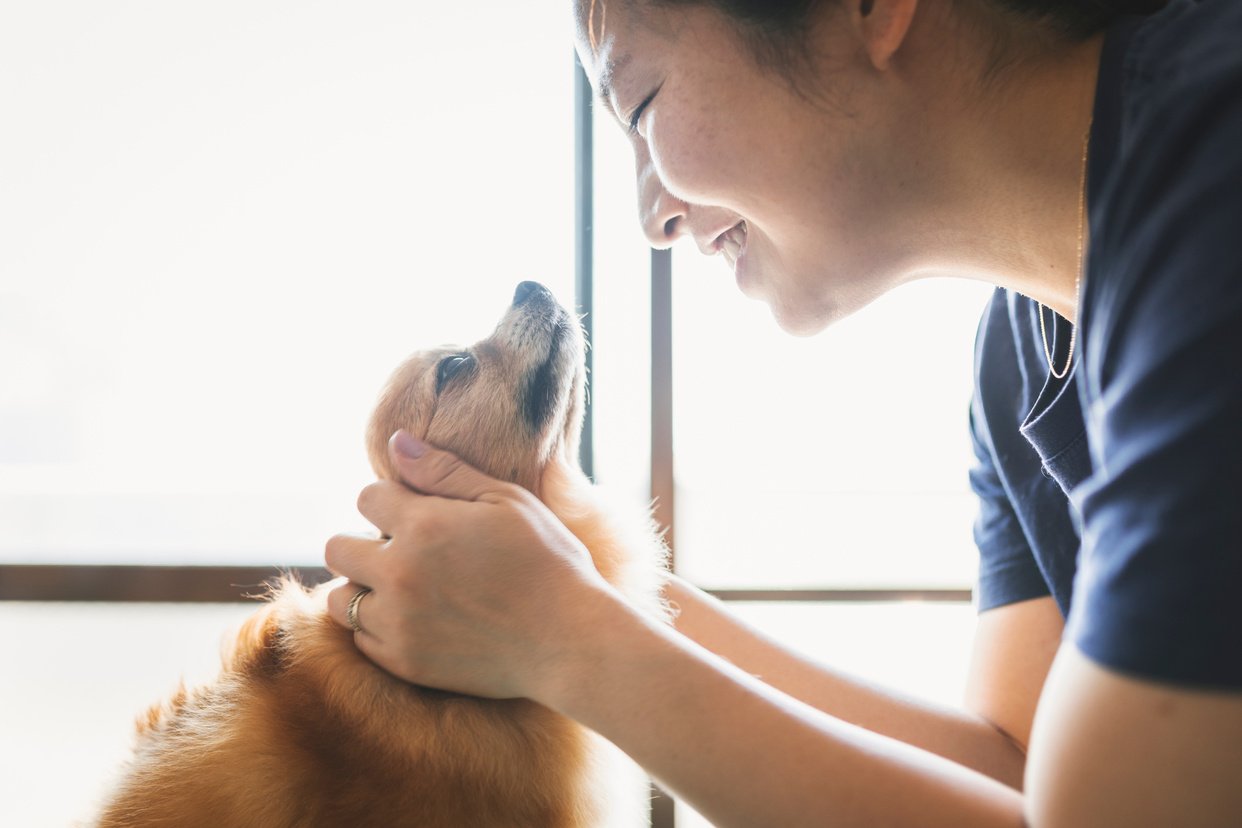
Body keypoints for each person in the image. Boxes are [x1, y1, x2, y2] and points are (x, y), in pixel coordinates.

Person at [324, 0, 1242, 824]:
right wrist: (584, 589)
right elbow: (1015, 770)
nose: (653, 216)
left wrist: (569, 643)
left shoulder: (1215, 180)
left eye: (641, 108)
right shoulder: (1019, 363)